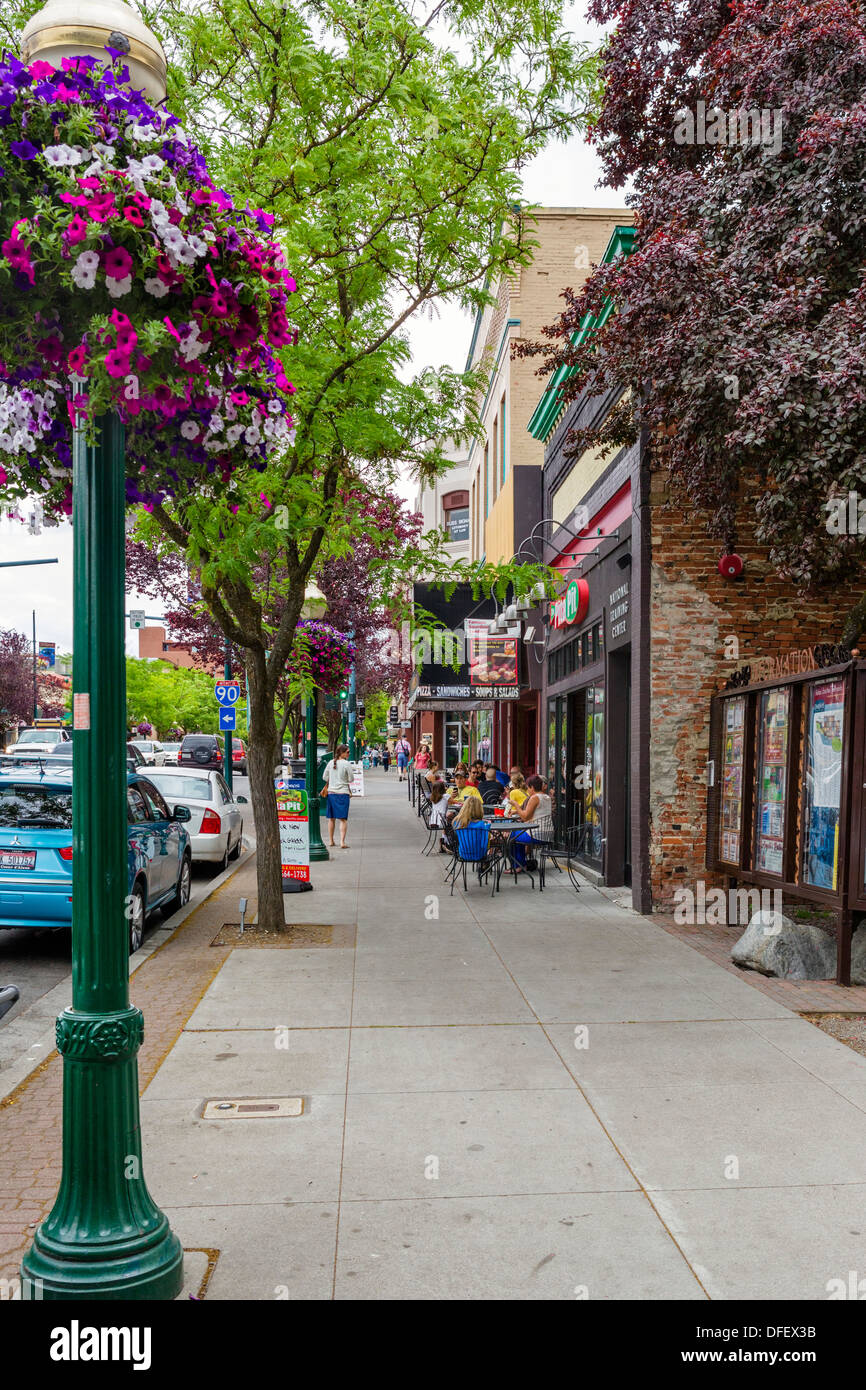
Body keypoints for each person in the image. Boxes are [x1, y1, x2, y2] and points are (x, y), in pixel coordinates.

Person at [321, 743, 353, 849]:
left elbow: (324, 777)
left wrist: (333, 779)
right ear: (342, 753)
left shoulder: (330, 763)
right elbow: (351, 779)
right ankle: (342, 842)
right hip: (343, 793)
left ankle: (331, 841)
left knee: (331, 818)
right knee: (343, 819)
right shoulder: (346, 764)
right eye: (347, 752)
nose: (349, 753)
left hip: (331, 793)